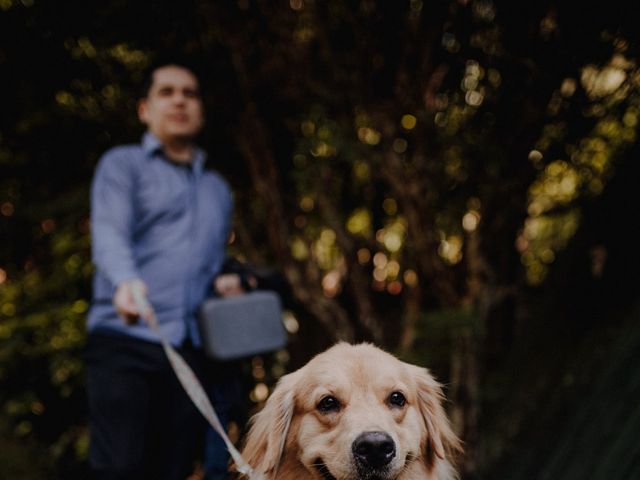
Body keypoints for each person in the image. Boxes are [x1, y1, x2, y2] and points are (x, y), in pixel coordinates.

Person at [85, 61, 242, 480]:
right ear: (144, 109)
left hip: (189, 351)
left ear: (200, 110)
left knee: (170, 470)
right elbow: (109, 233)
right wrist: (125, 282)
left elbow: (207, 262)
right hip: (125, 338)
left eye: (189, 93)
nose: (179, 100)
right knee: (117, 468)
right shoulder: (122, 166)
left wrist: (225, 280)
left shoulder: (218, 190)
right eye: (167, 92)